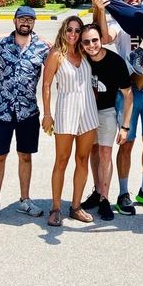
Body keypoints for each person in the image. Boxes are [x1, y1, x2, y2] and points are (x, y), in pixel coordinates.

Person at [91, 0, 143, 214]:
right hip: (129, 91)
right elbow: (104, 38)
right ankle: (123, 192)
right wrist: (101, 10)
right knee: (126, 143)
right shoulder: (119, 25)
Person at [0, 6, 50, 223]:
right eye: (22, 19)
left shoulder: (43, 47)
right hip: (2, 110)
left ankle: (25, 200)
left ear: (34, 23)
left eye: (30, 19)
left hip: (28, 111)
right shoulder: (1, 45)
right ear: (14, 21)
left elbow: (58, 71)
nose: (25, 23)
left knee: (25, 156)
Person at [41, 16, 99, 226]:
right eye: (69, 30)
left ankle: (75, 206)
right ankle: (56, 208)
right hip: (66, 110)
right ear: (63, 31)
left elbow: (99, 33)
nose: (73, 34)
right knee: (62, 161)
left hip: (88, 110)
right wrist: (47, 114)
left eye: (77, 30)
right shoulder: (56, 54)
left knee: (82, 160)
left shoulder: (85, 51)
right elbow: (46, 85)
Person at [79, 21, 133, 222]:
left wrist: (125, 127)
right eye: (86, 42)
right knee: (92, 151)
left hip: (107, 112)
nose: (91, 45)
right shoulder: (82, 59)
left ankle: (104, 199)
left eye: (95, 40)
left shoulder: (115, 62)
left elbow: (128, 96)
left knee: (105, 152)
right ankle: (96, 190)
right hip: (85, 114)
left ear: (101, 40)